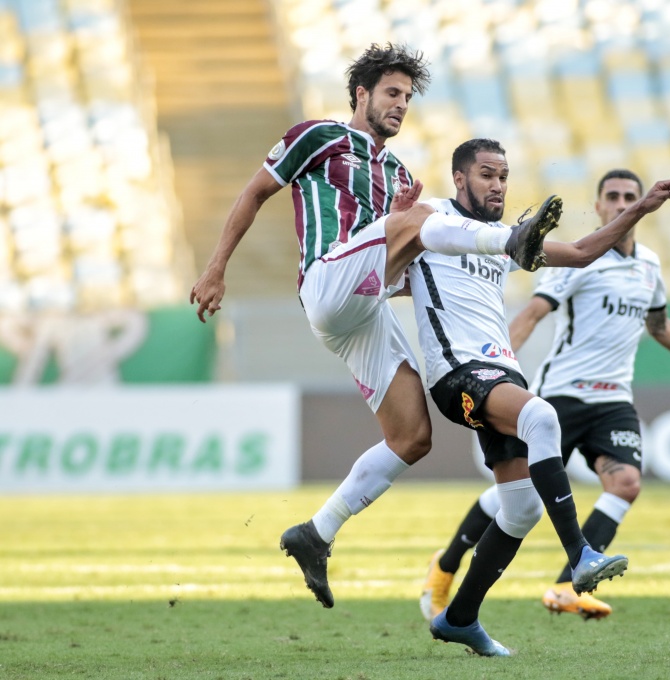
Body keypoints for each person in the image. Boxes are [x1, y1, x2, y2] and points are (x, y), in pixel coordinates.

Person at [189, 44, 561, 610]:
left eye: (407, 97)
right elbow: (255, 193)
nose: (401, 105)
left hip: (363, 306)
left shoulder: (399, 175)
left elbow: (405, 265)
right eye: (392, 93)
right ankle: (513, 237)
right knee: (421, 217)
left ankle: (316, 533)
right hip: (326, 279)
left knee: (412, 437)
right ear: (361, 94)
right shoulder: (316, 136)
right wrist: (216, 268)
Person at [420, 168, 670, 623]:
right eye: (612, 197)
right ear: (599, 207)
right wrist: (496, 368)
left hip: (613, 399)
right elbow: (533, 313)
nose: (620, 203)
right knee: (516, 498)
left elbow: (658, 326)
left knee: (626, 483)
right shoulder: (581, 263)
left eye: (628, 197)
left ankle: (565, 586)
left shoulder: (650, 265)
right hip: (562, 396)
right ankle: (444, 567)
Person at [406, 141, 670, 655]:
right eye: (486, 174)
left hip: (499, 373)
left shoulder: (499, 241)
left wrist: (646, 207)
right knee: (540, 416)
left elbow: (579, 252)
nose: (497, 184)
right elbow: (384, 259)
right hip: (458, 373)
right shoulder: (430, 221)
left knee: (520, 509)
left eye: (504, 176)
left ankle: (460, 617)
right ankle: (579, 555)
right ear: (459, 178)